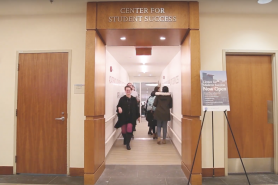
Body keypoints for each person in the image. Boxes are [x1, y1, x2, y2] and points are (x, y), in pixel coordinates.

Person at [115, 85, 140, 150]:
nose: (128, 91)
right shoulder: (122, 99)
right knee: (123, 131)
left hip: (131, 118)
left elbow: (136, 108)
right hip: (123, 117)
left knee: (129, 129)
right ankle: (125, 139)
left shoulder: (134, 99)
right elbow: (118, 106)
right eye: (127, 90)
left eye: (129, 90)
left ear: (131, 91)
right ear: (125, 91)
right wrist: (119, 108)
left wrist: (138, 116)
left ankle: (128, 144)